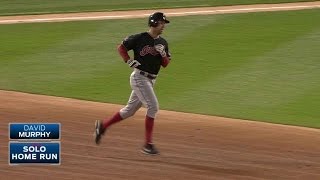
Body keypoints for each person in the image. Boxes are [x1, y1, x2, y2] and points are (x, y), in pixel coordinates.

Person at [94, 12, 171, 155]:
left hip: (151, 79)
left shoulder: (163, 43)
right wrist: (128, 60)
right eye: (161, 23)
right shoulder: (139, 38)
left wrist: (163, 54)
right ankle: (148, 144)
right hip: (139, 78)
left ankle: (103, 126)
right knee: (153, 107)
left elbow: (166, 64)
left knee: (129, 110)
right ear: (154, 23)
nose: (163, 26)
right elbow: (121, 47)